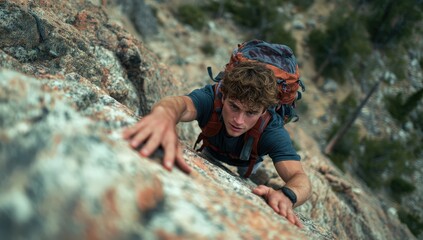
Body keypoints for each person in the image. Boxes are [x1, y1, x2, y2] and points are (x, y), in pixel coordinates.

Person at [123, 57, 311, 228]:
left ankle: (254, 171)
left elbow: (300, 178)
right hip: (212, 150)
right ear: (224, 96)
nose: (238, 120)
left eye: (251, 113)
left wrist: (287, 195)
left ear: (264, 111)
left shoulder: (272, 130)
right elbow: (179, 105)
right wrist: (164, 115)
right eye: (234, 107)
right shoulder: (211, 98)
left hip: (247, 160)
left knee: (250, 172)